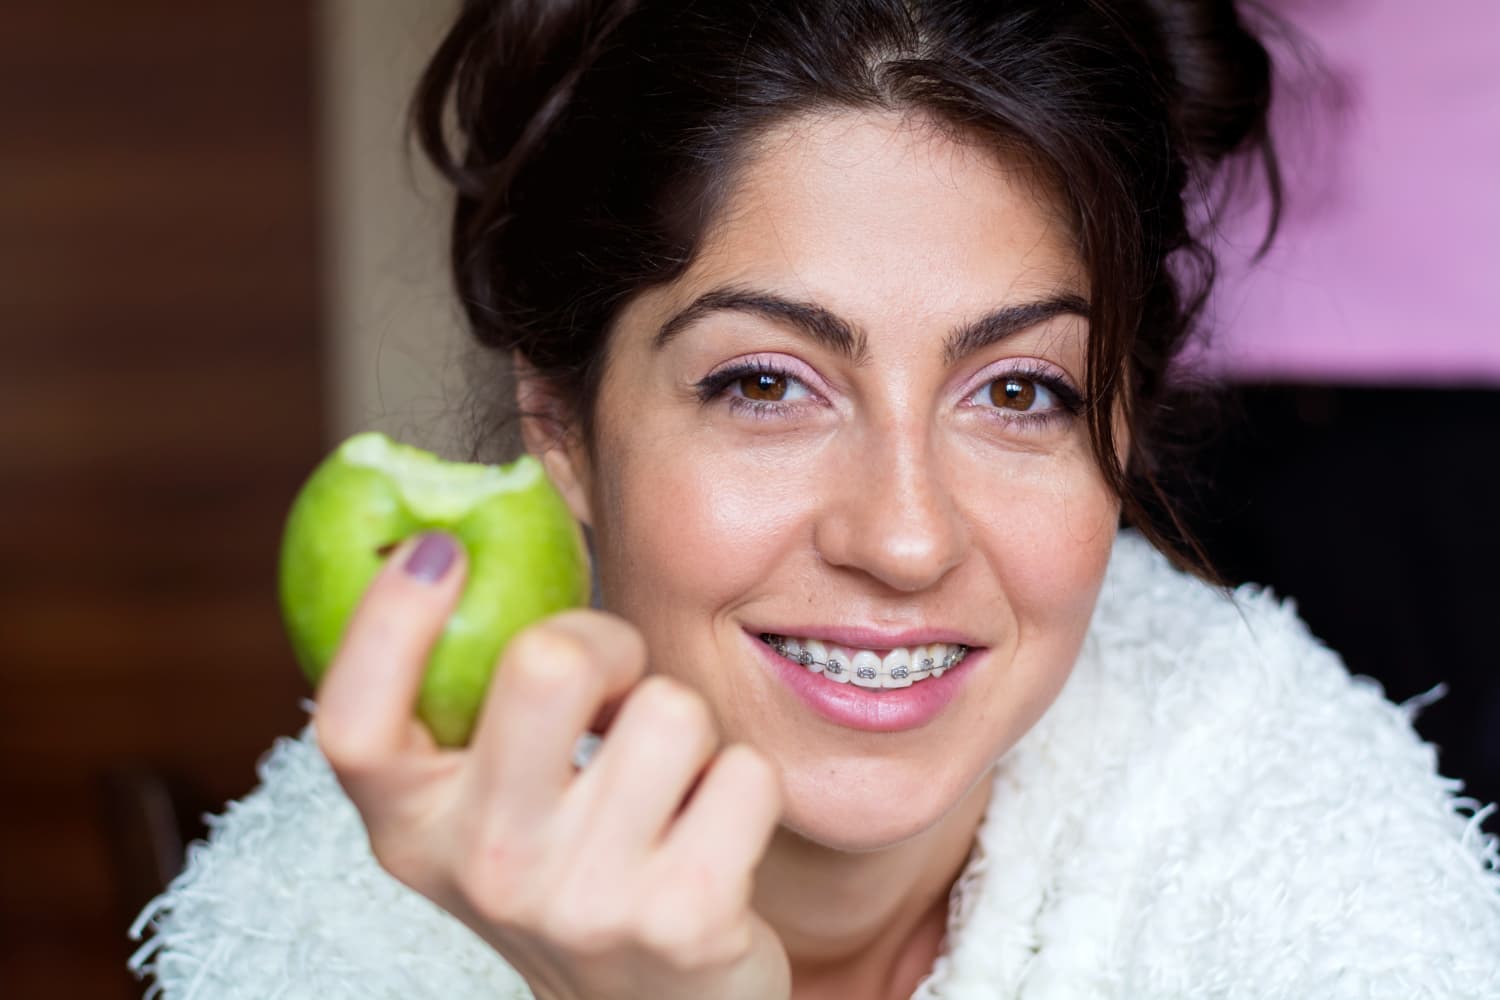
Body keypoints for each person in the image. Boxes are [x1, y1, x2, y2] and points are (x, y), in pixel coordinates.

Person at [129, 1, 1500, 997]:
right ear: (564, 425)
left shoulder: (1326, 897)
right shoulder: (316, 942)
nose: (903, 537)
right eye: (768, 386)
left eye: (1020, 392)